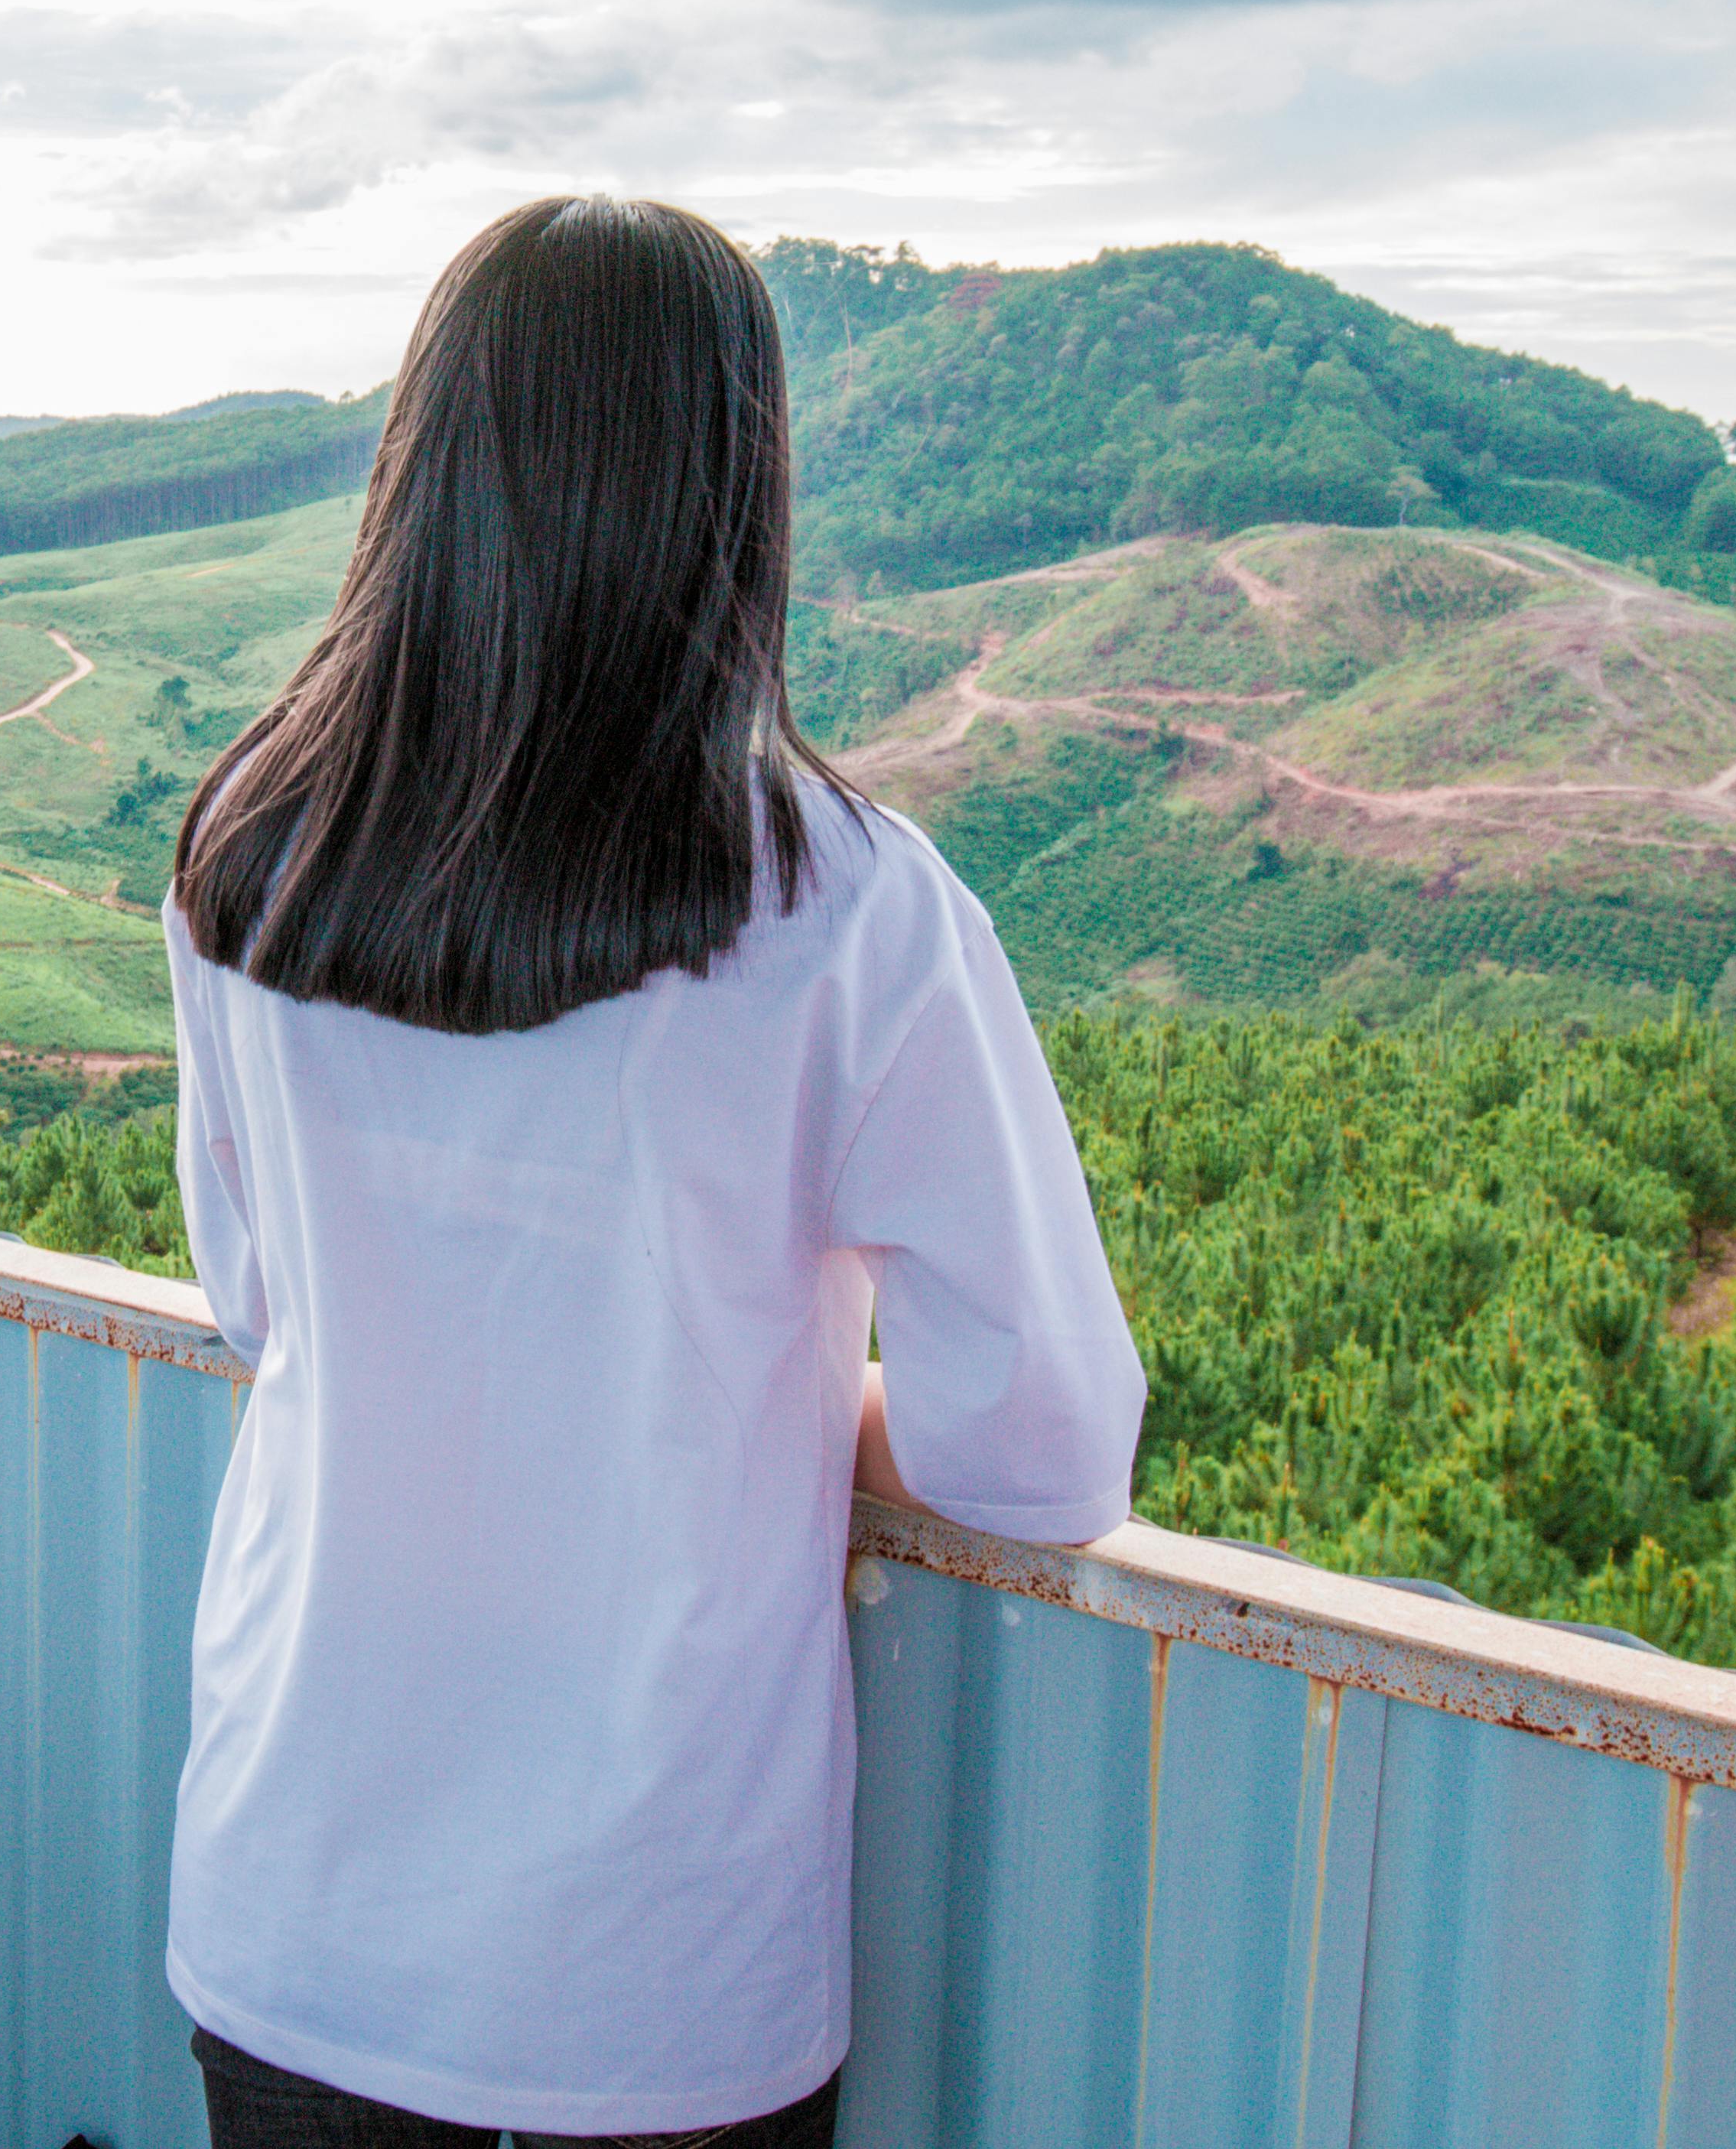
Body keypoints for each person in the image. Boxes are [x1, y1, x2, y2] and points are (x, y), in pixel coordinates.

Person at [157, 196, 1146, 2147]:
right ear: (736, 490)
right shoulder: (849, 909)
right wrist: (788, 1391)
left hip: (294, 1907)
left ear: (424, 464)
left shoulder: (249, 857)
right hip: (655, 1966)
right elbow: (1043, 1450)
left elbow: (262, 1303)